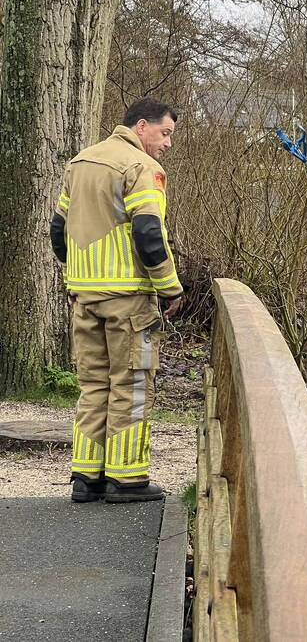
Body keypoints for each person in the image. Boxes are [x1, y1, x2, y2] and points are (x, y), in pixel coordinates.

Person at [50, 98, 183, 503]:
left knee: (92, 385)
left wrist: (78, 277)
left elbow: (59, 231)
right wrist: (170, 286)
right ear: (141, 126)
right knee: (132, 384)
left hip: (85, 296)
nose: (168, 144)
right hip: (128, 300)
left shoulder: (80, 162)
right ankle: (127, 480)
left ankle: (85, 478)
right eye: (165, 133)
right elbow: (148, 234)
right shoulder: (142, 168)